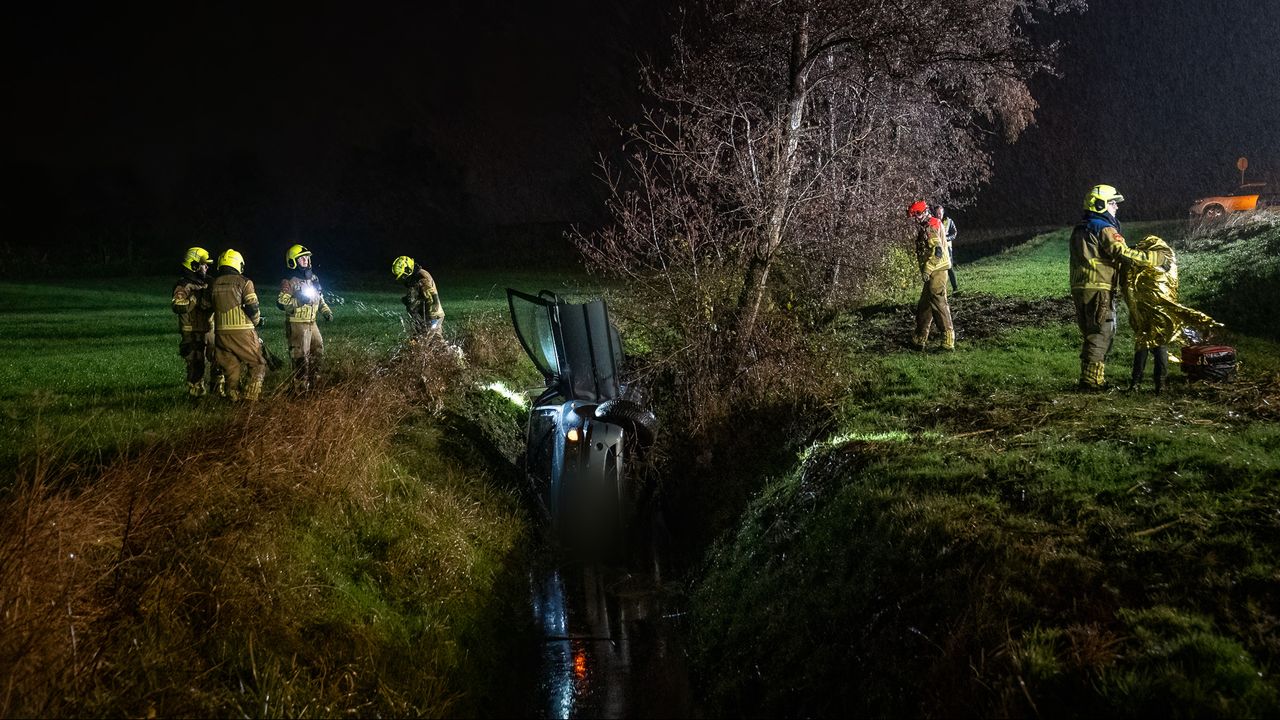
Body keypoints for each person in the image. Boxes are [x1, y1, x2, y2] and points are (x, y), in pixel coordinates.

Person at [1069, 185, 1160, 390]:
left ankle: (1091, 378)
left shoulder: (1080, 228)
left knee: (1091, 332)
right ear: (1099, 205)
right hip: (1099, 287)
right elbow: (1121, 253)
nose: (1116, 207)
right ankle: (1092, 382)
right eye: (1112, 203)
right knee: (1101, 332)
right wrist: (1153, 259)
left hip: (1081, 286)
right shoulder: (1103, 227)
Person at [1119, 234, 1222, 393]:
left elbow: (1137, 262)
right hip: (1158, 308)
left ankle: (1140, 383)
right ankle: (1157, 385)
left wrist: (1123, 250)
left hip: (1152, 307)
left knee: (1148, 342)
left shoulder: (1156, 256)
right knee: (1153, 343)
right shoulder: (1168, 257)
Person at [211, 249, 268, 401]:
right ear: (239, 264)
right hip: (243, 331)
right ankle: (250, 398)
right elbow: (252, 307)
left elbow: (206, 306)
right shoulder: (244, 282)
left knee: (230, 368)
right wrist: (257, 321)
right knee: (258, 363)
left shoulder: (213, 284)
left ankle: (233, 397)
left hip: (220, 333)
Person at [277, 244, 332, 392]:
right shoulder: (289, 281)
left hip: (312, 323)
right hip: (297, 324)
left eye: (307, 258)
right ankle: (299, 390)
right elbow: (281, 303)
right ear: (292, 262)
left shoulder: (314, 278)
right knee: (300, 358)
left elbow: (319, 297)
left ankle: (314, 385)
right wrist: (299, 300)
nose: (306, 260)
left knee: (318, 351)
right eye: (302, 258)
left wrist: (326, 311)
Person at [171, 247, 220, 397]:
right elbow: (178, 306)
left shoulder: (210, 282)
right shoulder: (183, 285)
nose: (207, 267)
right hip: (191, 332)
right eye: (204, 264)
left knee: (219, 357)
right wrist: (194, 297)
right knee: (195, 364)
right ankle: (196, 394)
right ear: (194, 265)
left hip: (210, 328)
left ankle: (218, 389)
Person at [909, 200, 954, 351]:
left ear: (923, 212)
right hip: (934, 270)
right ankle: (920, 338)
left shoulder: (930, 227)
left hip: (937, 271)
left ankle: (948, 341)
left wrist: (927, 269)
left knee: (939, 305)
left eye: (916, 215)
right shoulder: (931, 223)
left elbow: (938, 251)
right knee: (925, 305)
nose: (915, 219)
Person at [392, 255, 445, 338]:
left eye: (403, 276)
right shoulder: (416, 276)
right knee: (429, 340)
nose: (403, 279)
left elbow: (431, 298)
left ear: (408, 270)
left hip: (432, 316)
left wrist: (413, 304)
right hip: (427, 316)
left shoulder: (422, 278)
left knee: (428, 340)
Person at [933, 204, 959, 293]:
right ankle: (941, 289)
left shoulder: (949, 221)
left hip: (947, 247)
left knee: (949, 267)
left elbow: (954, 233)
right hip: (936, 248)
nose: (938, 215)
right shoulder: (932, 222)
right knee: (938, 269)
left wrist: (946, 238)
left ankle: (955, 288)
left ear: (943, 213)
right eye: (936, 213)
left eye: (940, 213)